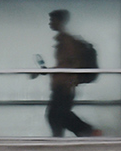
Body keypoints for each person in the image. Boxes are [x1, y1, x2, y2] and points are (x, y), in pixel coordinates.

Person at [36, 9, 101, 137]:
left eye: (52, 20)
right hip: (63, 84)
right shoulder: (63, 40)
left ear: (60, 21)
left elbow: (70, 63)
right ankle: (66, 137)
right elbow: (65, 64)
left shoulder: (67, 41)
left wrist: (70, 79)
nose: (50, 23)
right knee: (57, 115)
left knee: (57, 115)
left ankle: (89, 132)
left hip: (64, 86)